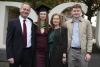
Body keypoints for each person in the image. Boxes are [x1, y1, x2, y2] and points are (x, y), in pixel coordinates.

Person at [6, 2, 36, 67]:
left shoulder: (31, 22)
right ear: (20, 9)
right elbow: (9, 40)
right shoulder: (12, 22)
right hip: (15, 54)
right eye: (24, 9)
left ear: (29, 11)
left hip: (28, 53)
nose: (25, 11)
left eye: (27, 10)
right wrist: (10, 56)